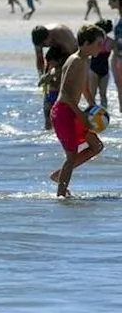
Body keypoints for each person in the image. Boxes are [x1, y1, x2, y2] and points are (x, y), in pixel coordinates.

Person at [49, 24, 107, 197]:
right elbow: (65, 94)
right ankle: (61, 196)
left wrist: (94, 107)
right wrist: (81, 115)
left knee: (96, 146)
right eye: (98, 44)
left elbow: (84, 89)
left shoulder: (84, 60)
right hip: (64, 112)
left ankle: (58, 176)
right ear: (86, 43)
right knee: (71, 156)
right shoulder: (75, 60)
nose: (101, 47)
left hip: (73, 111)